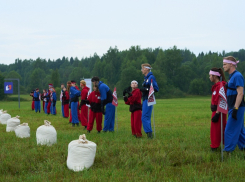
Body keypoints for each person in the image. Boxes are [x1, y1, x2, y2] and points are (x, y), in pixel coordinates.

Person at [223, 56, 245, 152]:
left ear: (231, 64)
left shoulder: (237, 76)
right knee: (240, 130)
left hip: (237, 107)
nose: (223, 66)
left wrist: (235, 109)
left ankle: (228, 150)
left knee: (229, 130)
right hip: (232, 106)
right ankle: (243, 147)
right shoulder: (231, 76)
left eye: (225, 64)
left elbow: (240, 93)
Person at [209, 68, 227, 151]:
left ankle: (214, 146)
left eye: (210, 75)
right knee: (219, 129)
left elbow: (221, 100)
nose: (209, 77)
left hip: (218, 111)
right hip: (216, 111)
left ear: (214, 76)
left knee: (216, 130)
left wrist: (217, 113)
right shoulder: (216, 86)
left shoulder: (220, 86)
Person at [140, 63, 159, 139]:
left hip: (149, 99)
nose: (141, 70)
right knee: (145, 117)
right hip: (145, 98)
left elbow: (156, 88)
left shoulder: (151, 77)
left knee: (144, 117)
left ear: (147, 69)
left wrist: (146, 89)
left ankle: (149, 134)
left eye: (143, 68)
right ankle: (149, 133)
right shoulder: (146, 78)